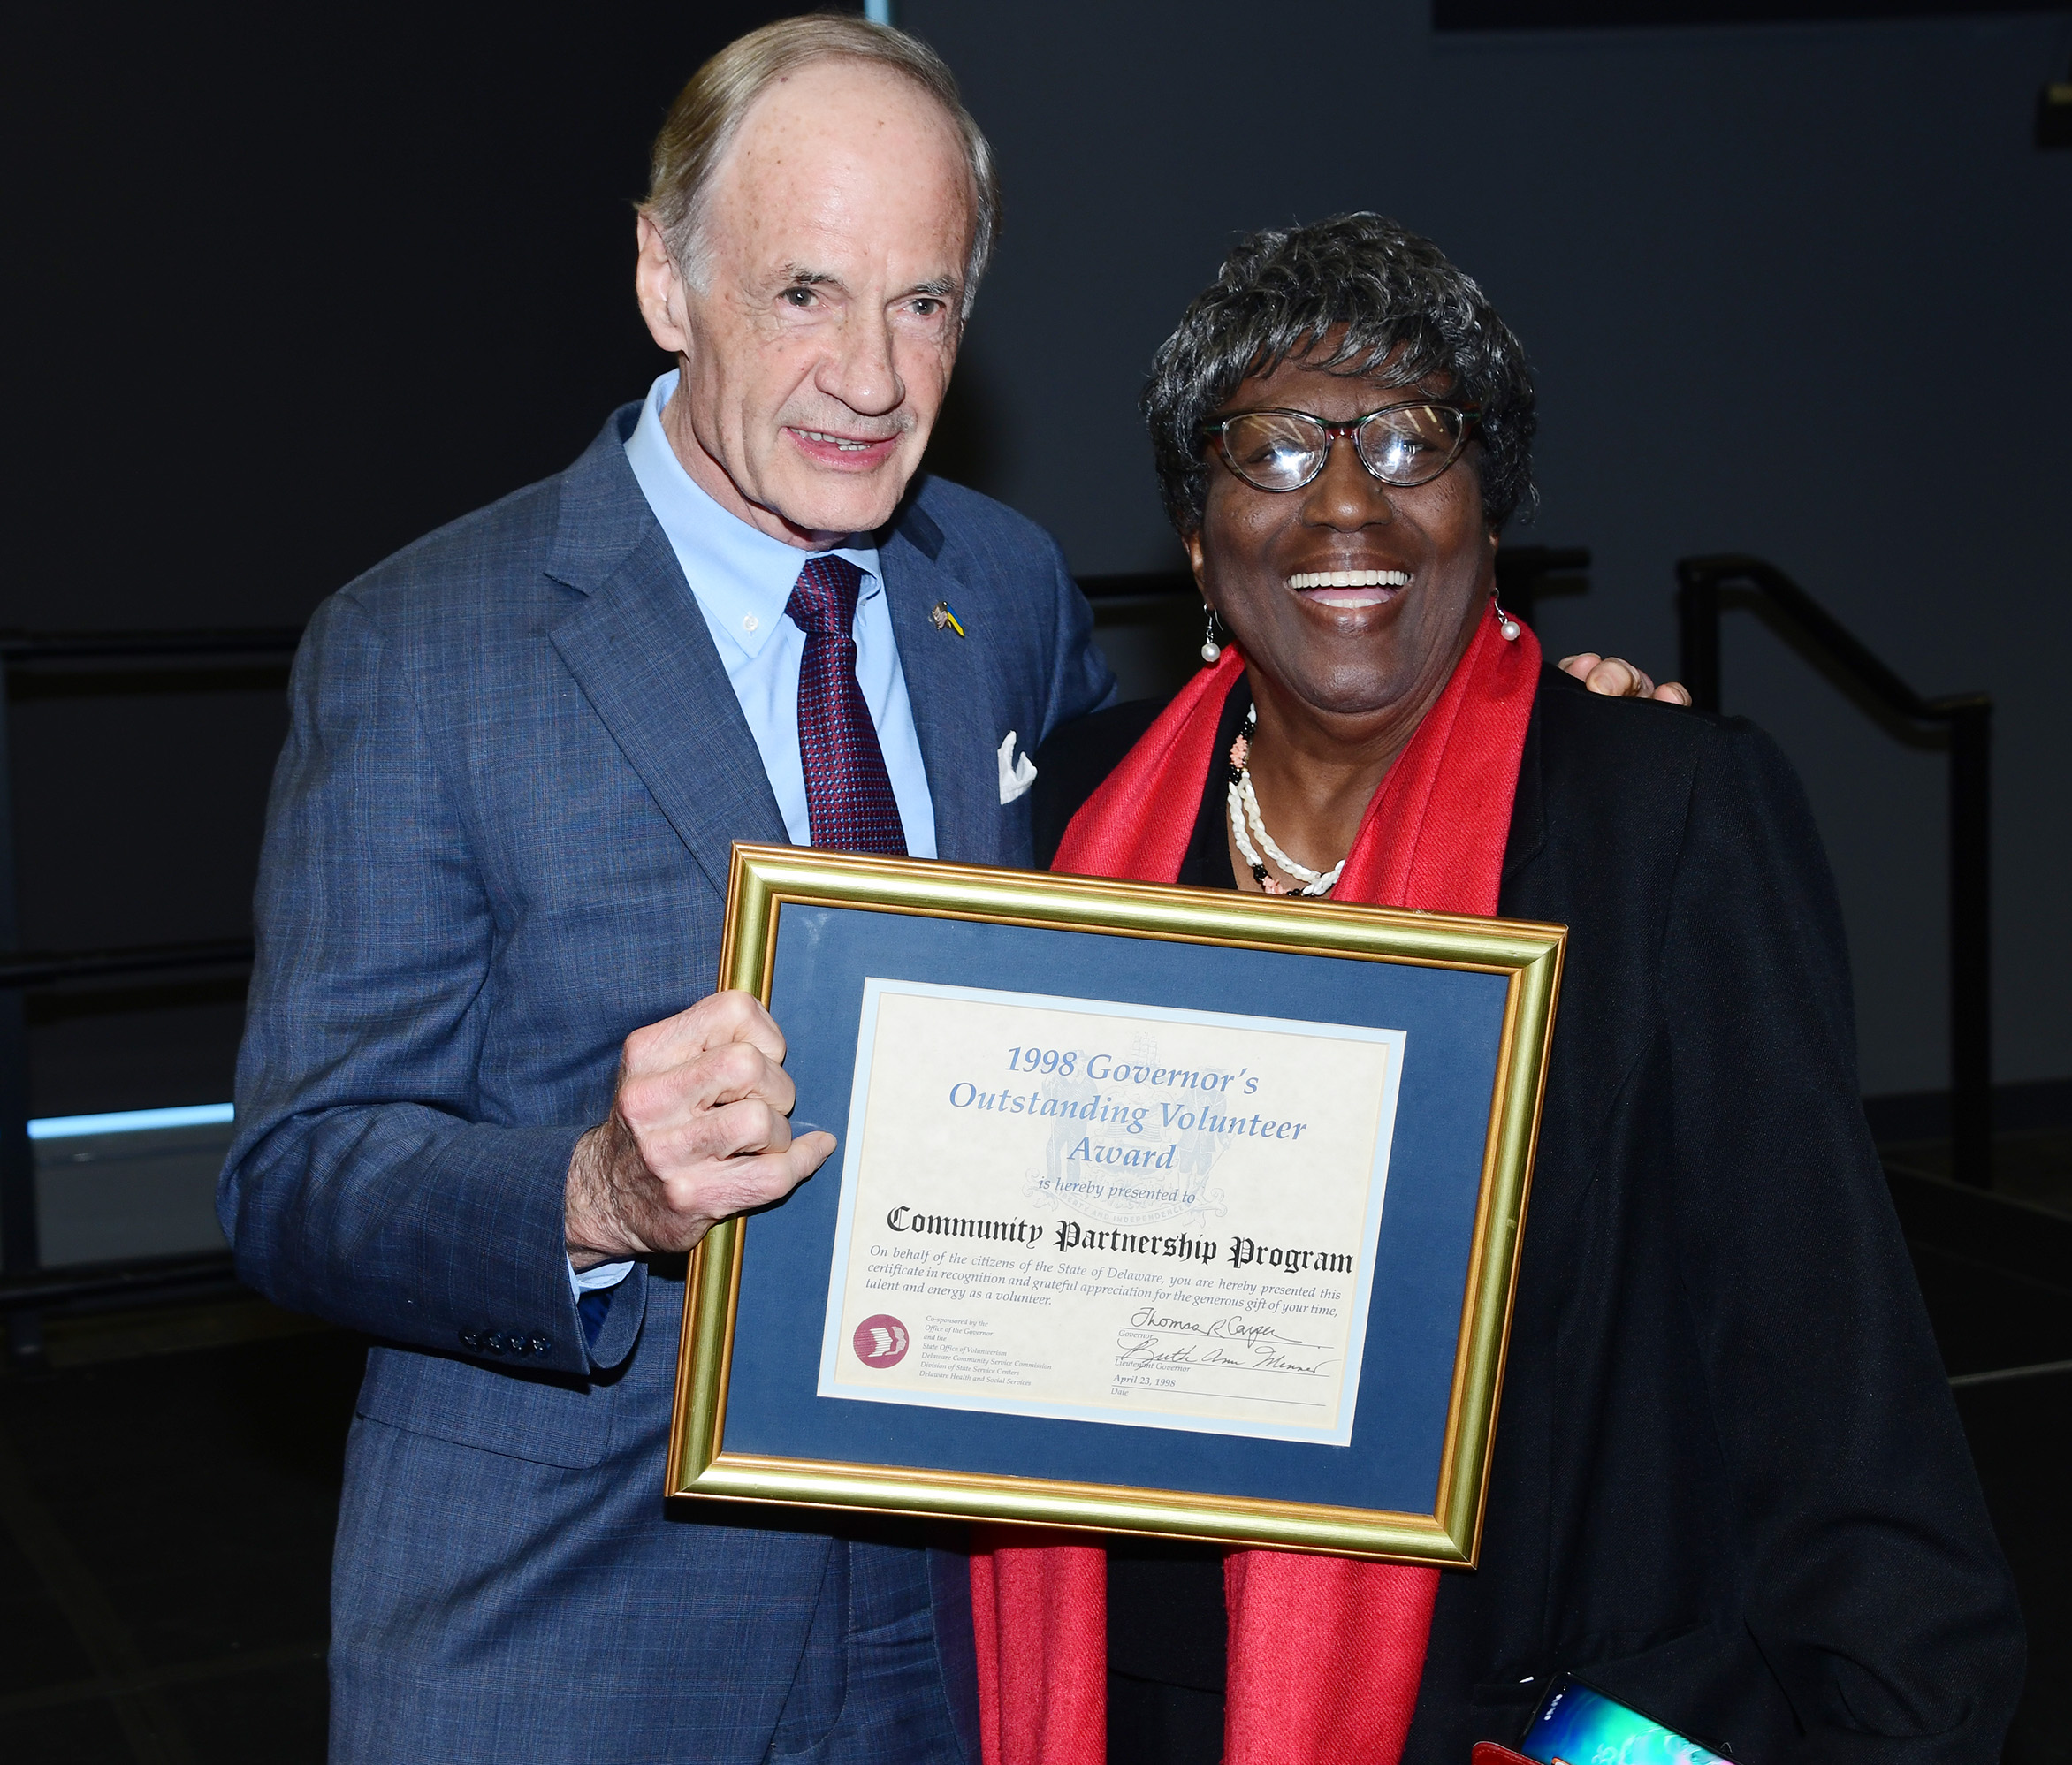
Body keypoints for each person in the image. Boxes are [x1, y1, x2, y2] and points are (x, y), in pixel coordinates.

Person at [219, 16, 1688, 1760]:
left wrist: (1517, 739)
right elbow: (295, 1176)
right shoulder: (423, 648)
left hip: (963, 1641)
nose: (870, 374)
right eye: (805, 295)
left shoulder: (993, 588)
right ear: (662, 279)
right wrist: (598, 1192)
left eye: (924, 304)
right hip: (574, 1640)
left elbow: (1201, 841)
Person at [1021, 213, 2024, 1765]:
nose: (1347, 504)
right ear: (1195, 527)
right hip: (1139, 1713)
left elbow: (1835, 1387)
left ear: (1489, 508)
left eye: (1413, 442)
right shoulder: (1071, 830)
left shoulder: (1660, 819)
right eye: (1275, 452)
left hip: (1545, 1728)